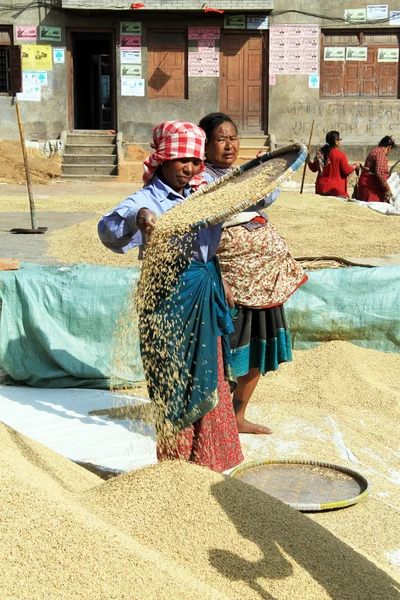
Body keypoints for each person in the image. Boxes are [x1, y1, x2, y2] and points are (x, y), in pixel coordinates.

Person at [98, 120, 243, 473]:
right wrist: (139, 217)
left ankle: (210, 465)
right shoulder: (147, 198)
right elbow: (108, 230)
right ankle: (175, 467)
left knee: (208, 374)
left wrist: (255, 175)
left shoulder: (207, 190)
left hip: (203, 288)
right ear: (161, 159)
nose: (190, 169)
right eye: (181, 161)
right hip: (165, 297)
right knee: (171, 379)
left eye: (195, 161)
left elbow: (265, 194)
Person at [199, 112, 307, 435]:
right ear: (205, 145)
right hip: (234, 280)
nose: (229, 145)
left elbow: (267, 197)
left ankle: (238, 415)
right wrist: (255, 178)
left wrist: (264, 175)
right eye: (221, 139)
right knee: (229, 349)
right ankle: (212, 420)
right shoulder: (202, 181)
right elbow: (228, 208)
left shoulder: (240, 174)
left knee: (259, 346)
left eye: (233, 138)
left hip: (265, 280)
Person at [307, 130, 360, 198]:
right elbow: (346, 171)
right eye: (339, 139)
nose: (340, 142)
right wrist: (355, 166)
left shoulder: (320, 153)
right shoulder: (341, 155)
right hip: (336, 190)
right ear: (335, 141)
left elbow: (313, 168)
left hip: (321, 188)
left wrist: (308, 161)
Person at [357, 136, 396, 203]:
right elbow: (379, 173)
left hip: (369, 182)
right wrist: (387, 189)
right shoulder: (380, 153)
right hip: (371, 185)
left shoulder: (376, 151)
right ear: (389, 148)